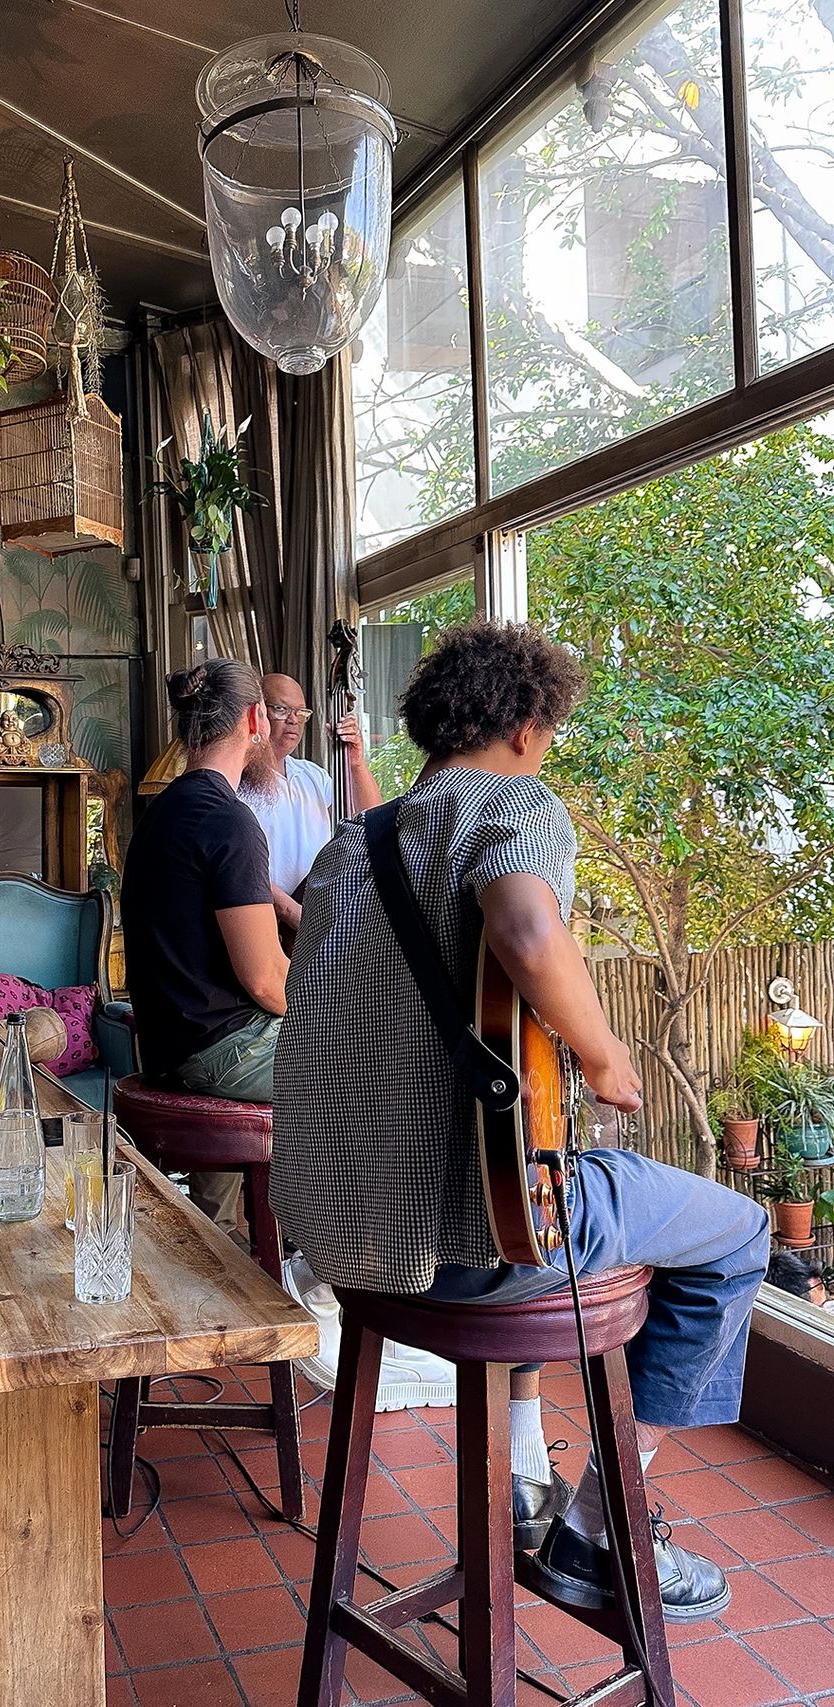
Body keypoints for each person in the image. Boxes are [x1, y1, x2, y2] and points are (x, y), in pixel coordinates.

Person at [272, 619, 770, 1621]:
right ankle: (594, 1527)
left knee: (527, 1185)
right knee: (736, 1233)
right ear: (527, 727)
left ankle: (520, 1482)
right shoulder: (510, 801)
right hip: (458, 1248)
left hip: (332, 1234)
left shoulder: (347, 845)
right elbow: (527, 929)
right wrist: (602, 1054)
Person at [121, 659, 288, 1231]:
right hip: (218, 1053)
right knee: (376, 1063)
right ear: (255, 719)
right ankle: (334, 1258)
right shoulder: (230, 820)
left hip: (166, 1047)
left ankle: (217, 1243)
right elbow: (266, 981)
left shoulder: (159, 815)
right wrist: (337, 1003)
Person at [239, 672, 381, 940]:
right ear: (257, 713)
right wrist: (292, 912)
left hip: (313, 915)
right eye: (281, 709)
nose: (293, 720)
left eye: (300, 711)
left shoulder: (312, 775)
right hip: (264, 922)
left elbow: (373, 820)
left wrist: (355, 763)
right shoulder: (238, 779)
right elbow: (241, 865)